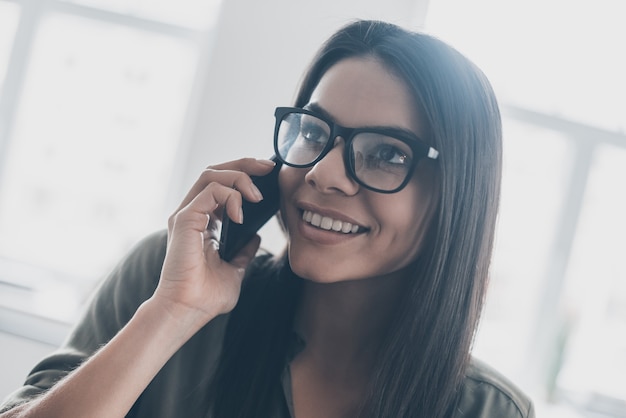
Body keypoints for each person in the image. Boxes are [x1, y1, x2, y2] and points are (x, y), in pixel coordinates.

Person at [0, 19, 534, 418]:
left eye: (386, 154)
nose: (324, 174)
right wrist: (172, 315)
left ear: (457, 194)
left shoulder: (487, 410)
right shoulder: (165, 284)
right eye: (314, 131)